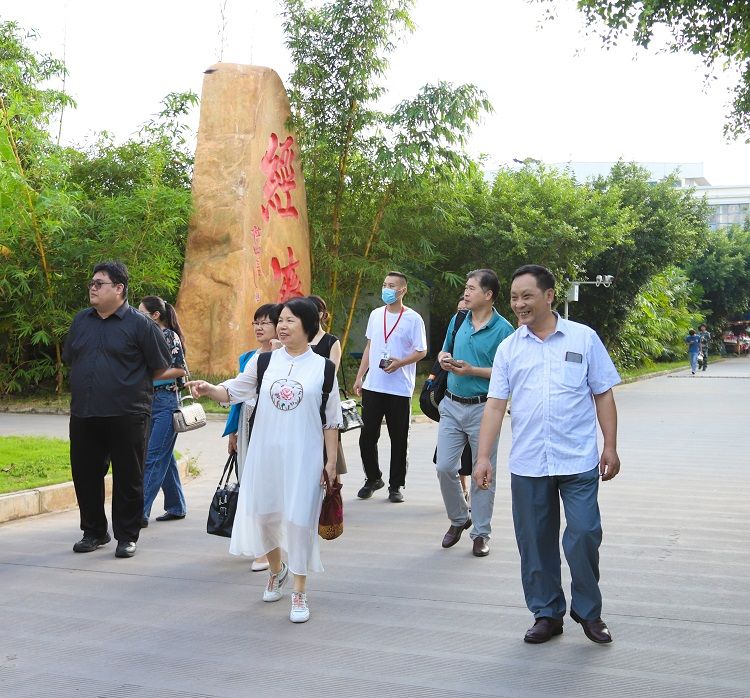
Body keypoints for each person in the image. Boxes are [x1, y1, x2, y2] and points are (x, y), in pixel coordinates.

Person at [475, 264, 621, 645]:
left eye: (527, 296)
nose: (519, 304)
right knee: (535, 542)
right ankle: (546, 613)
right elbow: (495, 405)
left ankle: (588, 611)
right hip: (529, 463)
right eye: (514, 297)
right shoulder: (509, 349)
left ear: (549, 296)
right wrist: (484, 457)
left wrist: (609, 445)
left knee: (584, 533)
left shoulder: (584, 339)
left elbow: (603, 393)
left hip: (578, 460)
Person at [187, 298, 342, 624]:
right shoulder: (264, 361)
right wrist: (210, 388)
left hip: (304, 455)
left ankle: (299, 591)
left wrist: (330, 463)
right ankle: (277, 570)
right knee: (264, 516)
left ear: (308, 325)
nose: (282, 326)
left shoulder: (324, 368)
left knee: (300, 521)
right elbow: (234, 391)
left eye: (290, 320)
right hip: (265, 453)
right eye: (280, 320)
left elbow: (331, 421)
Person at [63, 261, 171, 559]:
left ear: (119, 288)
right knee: (85, 475)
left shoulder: (141, 324)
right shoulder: (81, 321)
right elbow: (72, 358)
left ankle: (127, 536)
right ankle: (94, 531)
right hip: (84, 412)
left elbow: (160, 366)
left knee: (128, 477)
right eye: (91, 283)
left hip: (128, 413)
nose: (93, 288)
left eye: (99, 283)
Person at [436, 270, 514, 557]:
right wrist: (444, 359)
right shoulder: (459, 319)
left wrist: (472, 370)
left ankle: (481, 533)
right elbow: (443, 351)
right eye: (466, 288)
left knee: (483, 472)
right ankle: (460, 518)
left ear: (488, 294)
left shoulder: (504, 330)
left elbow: (507, 372)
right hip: (451, 405)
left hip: (484, 408)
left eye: (471, 288)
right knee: (444, 466)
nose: (466, 293)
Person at [354, 272, 427, 503]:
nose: (386, 289)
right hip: (373, 385)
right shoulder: (376, 315)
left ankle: (395, 486)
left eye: (392, 286)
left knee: (399, 439)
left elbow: (421, 351)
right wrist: (360, 376)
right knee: (367, 436)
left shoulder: (413, 319)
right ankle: (373, 478)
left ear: (402, 290)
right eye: (385, 284)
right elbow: (370, 346)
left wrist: (400, 363)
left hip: (399, 388)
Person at [221, 302, 281, 572]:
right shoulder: (249, 357)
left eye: (265, 322)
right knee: (250, 483)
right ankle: (262, 546)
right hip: (248, 424)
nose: (259, 327)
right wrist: (233, 432)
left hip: (275, 425)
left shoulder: (289, 357)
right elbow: (237, 394)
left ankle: (271, 547)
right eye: (256, 322)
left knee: (271, 486)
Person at [138, 296, 189, 527]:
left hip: (166, 402)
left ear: (155, 315)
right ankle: (176, 506)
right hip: (148, 401)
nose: (138, 317)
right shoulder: (147, 336)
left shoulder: (168, 336)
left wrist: (149, 376)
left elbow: (180, 370)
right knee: (162, 455)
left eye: (142, 313)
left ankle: (139, 512)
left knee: (153, 457)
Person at [307, 294, 347, 475]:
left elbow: (331, 373)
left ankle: (332, 487)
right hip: (302, 402)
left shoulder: (331, 341)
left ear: (322, 314)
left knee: (329, 454)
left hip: (323, 401)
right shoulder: (297, 340)